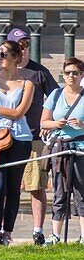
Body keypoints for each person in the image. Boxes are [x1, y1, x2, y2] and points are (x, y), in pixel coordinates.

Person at [5, 28, 59, 246]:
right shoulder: (3, 72)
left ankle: (37, 231)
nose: (22, 50)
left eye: (25, 45)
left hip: (35, 136)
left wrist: (48, 120)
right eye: (17, 46)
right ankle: (4, 230)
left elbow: (56, 96)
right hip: (7, 137)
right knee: (7, 186)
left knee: (36, 185)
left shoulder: (39, 72)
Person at [0, 40, 35, 246]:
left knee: (14, 187)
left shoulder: (27, 84)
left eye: (4, 54)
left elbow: (19, 112)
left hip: (19, 137)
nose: (0, 58)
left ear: (15, 57)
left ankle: (7, 231)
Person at [43, 57, 84, 244]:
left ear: (81, 75)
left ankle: (83, 236)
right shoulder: (56, 94)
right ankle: (56, 235)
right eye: (68, 73)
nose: (71, 76)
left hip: (80, 148)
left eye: (75, 73)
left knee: (81, 191)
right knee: (59, 191)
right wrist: (55, 124)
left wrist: (82, 124)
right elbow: (43, 122)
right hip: (60, 148)